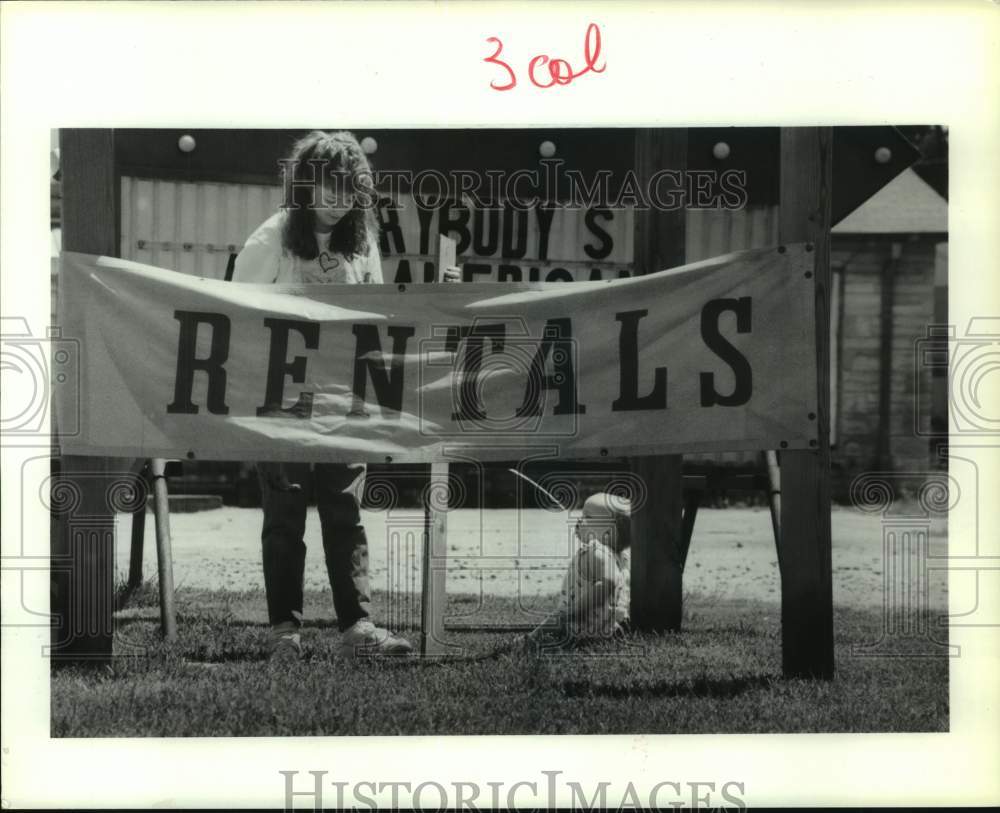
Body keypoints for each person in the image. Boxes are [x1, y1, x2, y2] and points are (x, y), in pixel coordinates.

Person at [233, 130, 459, 659]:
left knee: (344, 509)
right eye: (327, 188)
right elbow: (235, 309)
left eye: (348, 190)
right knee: (284, 511)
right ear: (304, 185)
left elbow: (375, 317)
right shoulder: (271, 238)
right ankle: (283, 631)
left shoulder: (362, 242)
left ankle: (356, 626)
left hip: (342, 395)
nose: (337, 201)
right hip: (281, 397)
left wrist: (443, 297)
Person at [525, 492, 632, 648]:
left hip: (586, 623)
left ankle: (529, 641)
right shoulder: (622, 558)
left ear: (609, 533)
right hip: (606, 624)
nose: (580, 520)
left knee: (557, 619)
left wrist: (578, 609)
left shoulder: (598, 552)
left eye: (588, 517)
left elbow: (609, 581)